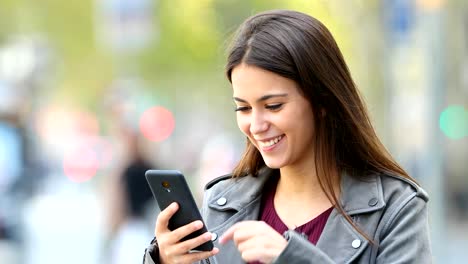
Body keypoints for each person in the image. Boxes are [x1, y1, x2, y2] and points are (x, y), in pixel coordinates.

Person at [142, 9, 431, 264]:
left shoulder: (396, 208)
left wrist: (292, 258)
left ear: (321, 101)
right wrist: (165, 261)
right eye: (243, 108)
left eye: (273, 106)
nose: (256, 125)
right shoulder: (222, 203)